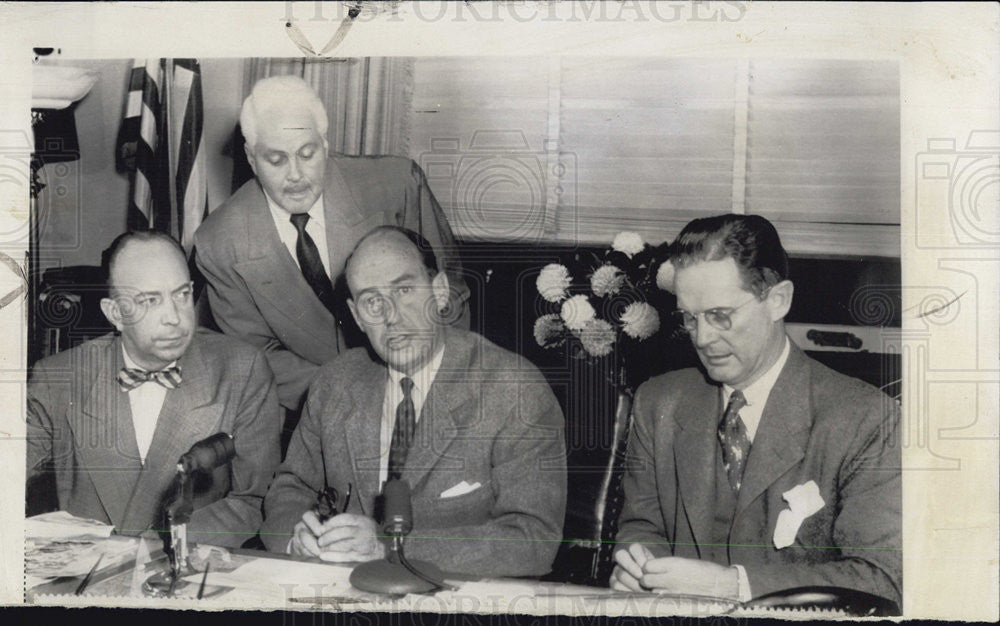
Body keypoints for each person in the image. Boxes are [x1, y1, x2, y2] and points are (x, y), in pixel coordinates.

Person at [611, 214, 901, 607]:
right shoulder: (657, 402)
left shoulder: (867, 419)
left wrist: (734, 586)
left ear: (777, 300)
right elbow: (643, 528)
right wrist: (639, 568)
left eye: (720, 315)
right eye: (689, 318)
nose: (703, 337)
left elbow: (880, 579)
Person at [261, 226, 566, 577]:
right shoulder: (335, 383)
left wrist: (389, 549)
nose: (391, 316)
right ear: (356, 315)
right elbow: (290, 487)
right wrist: (296, 537)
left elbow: (532, 540)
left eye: (404, 290)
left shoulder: (515, 390)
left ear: (439, 292)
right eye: (371, 301)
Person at [194, 75, 469, 412]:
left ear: (325, 146)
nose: (295, 175)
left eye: (307, 154)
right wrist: (354, 395)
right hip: (318, 406)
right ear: (251, 158)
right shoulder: (219, 242)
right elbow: (258, 356)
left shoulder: (397, 186)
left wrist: (431, 382)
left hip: (427, 384)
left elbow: (450, 291)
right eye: (276, 160)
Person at [26, 231, 281, 548]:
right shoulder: (57, 379)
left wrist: (162, 546)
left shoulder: (243, 369)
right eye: (150, 301)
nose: (174, 318)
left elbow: (257, 500)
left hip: (189, 572)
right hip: (86, 577)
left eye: (182, 295)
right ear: (115, 314)